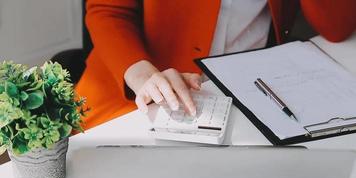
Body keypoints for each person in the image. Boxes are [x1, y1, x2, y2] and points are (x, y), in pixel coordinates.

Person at [75, 0, 356, 130]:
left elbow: (336, 28)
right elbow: (108, 10)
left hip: (247, 98)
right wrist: (143, 75)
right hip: (140, 87)